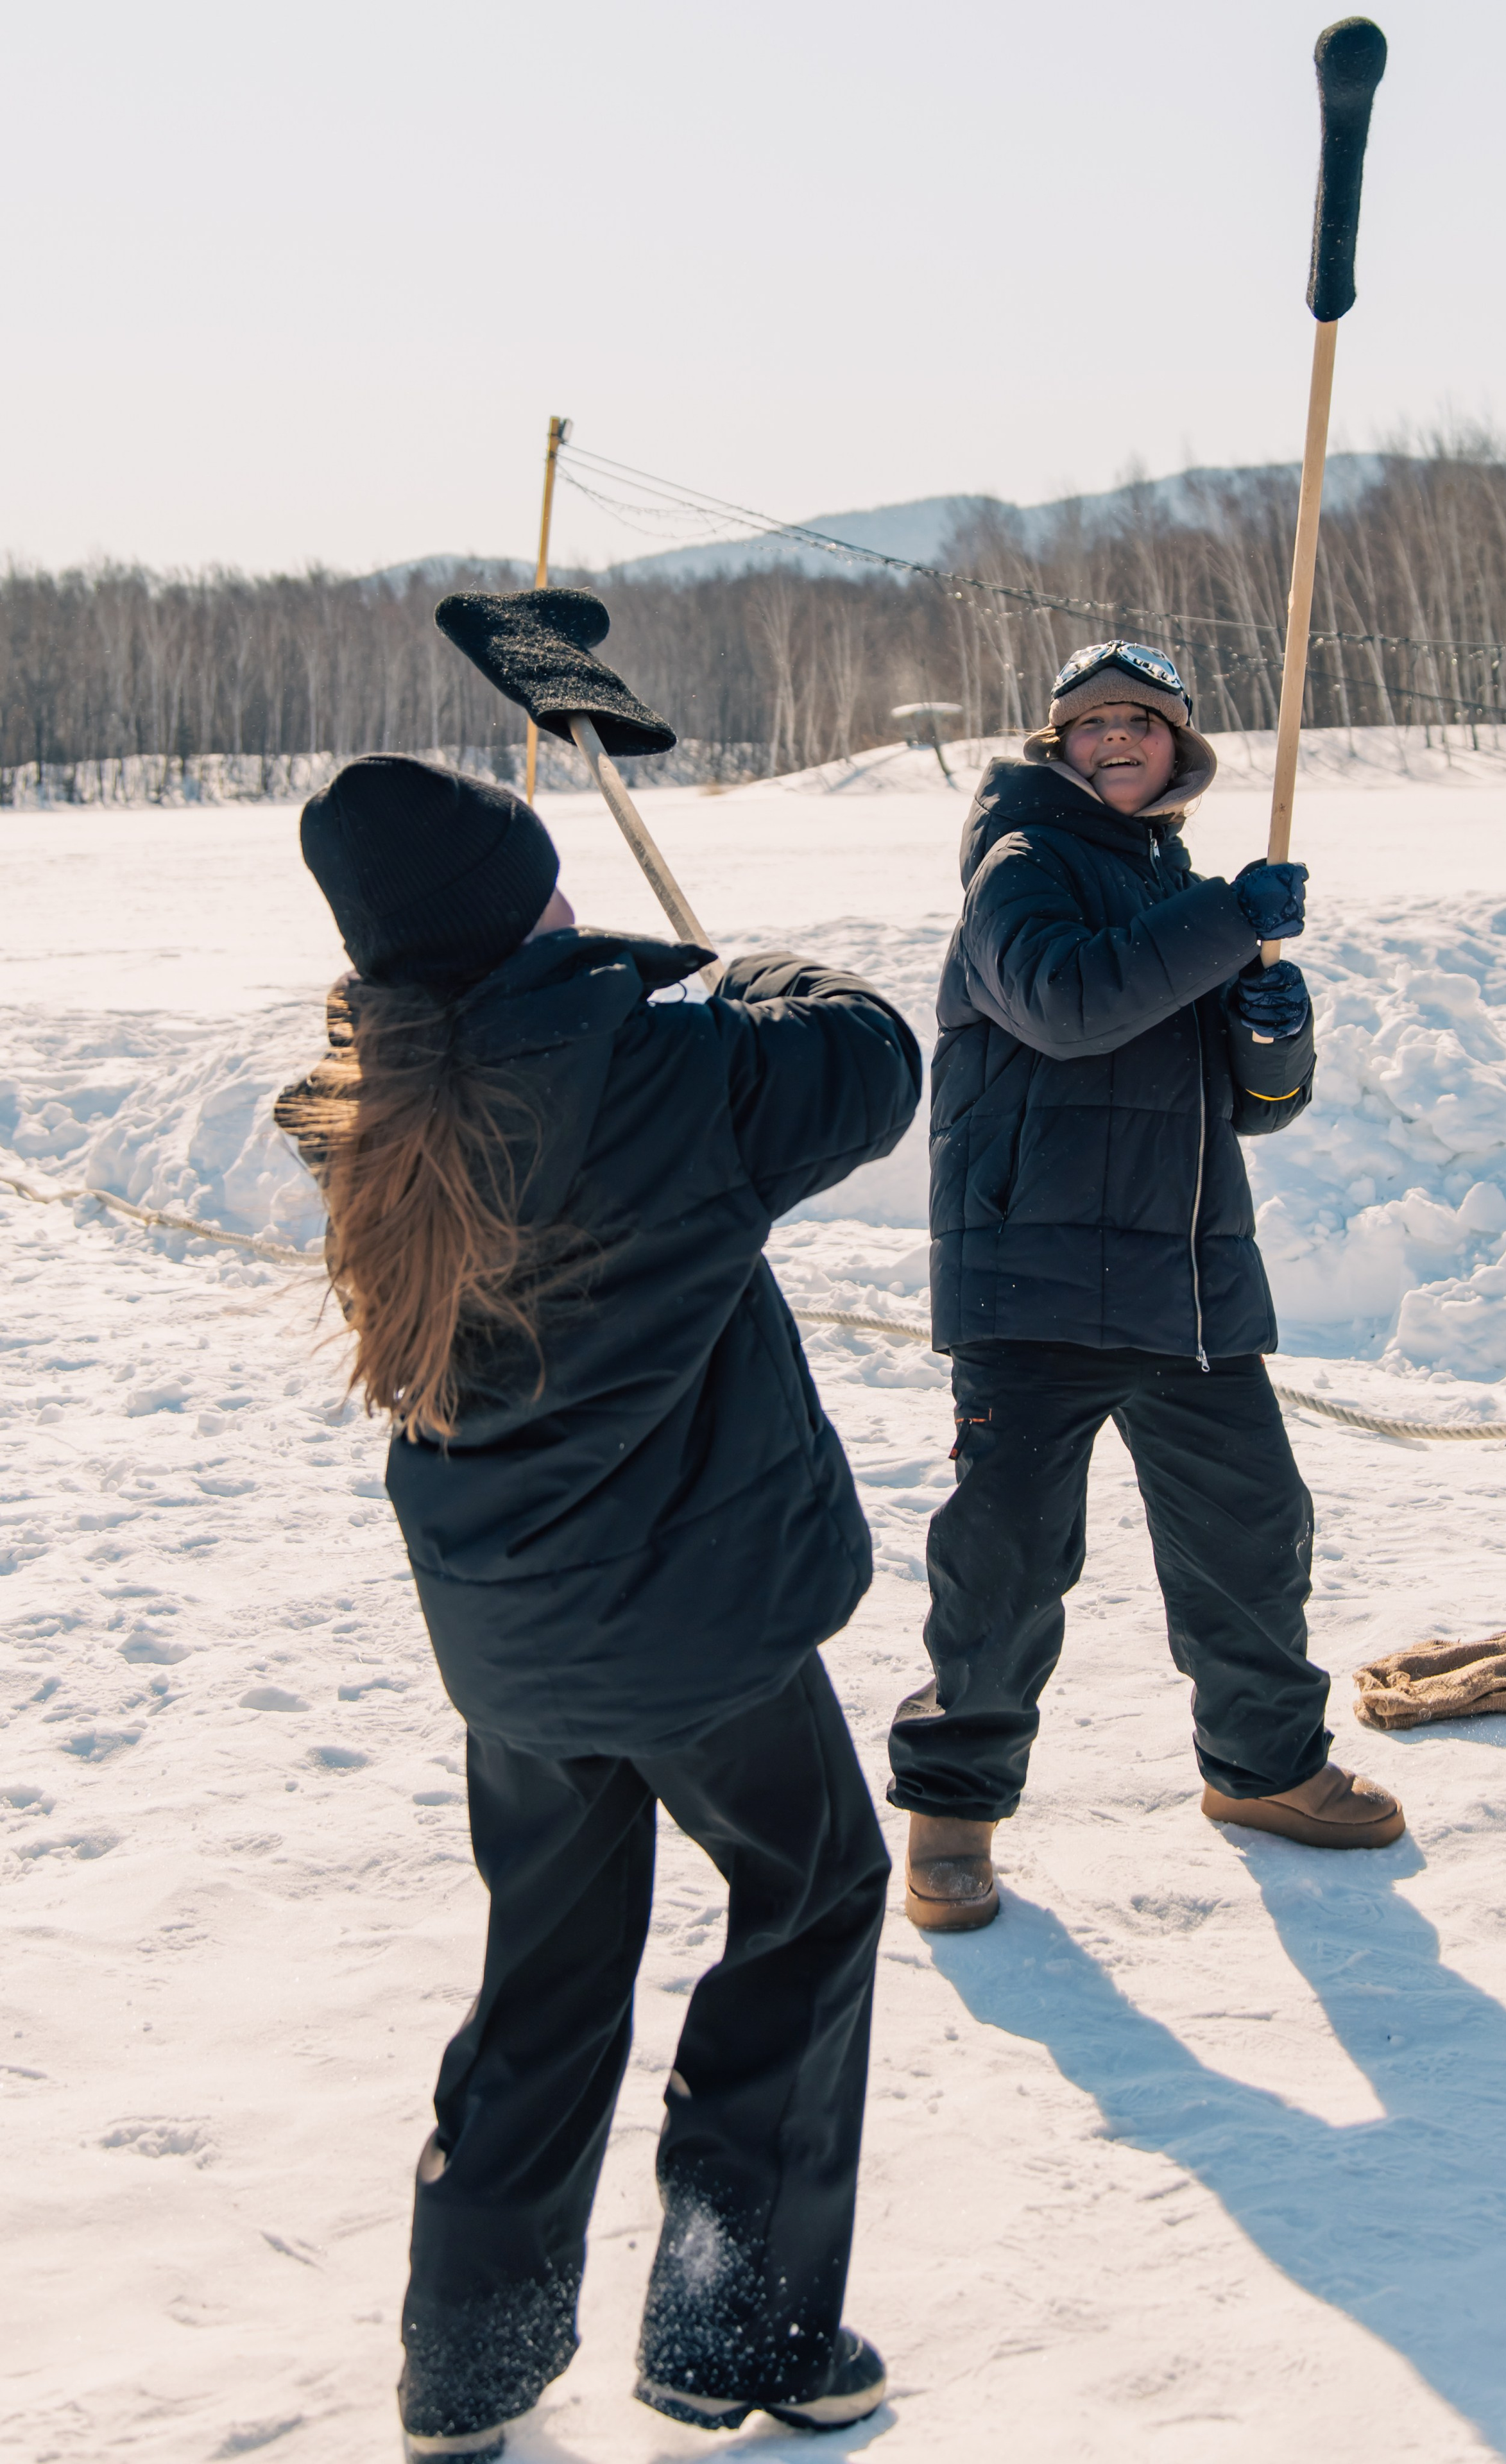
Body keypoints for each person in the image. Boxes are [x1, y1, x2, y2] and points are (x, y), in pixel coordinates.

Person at [274, 756, 921, 2458]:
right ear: (522, 915)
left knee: (550, 1970)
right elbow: (871, 1063)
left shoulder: (371, 1099)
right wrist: (753, 975)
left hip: (515, 1638)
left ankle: (465, 2368)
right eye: (547, 886)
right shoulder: (665, 1073)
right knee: (812, 1898)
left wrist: (620, 981)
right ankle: (737, 2327)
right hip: (693, 1622)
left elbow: (530, 1033)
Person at [887, 644, 1405, 1934]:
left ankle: (1263, 1769)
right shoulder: (1018, 864)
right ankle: (952, 1814)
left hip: (1184, 1278)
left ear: (1179, 749)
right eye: (1090, 724)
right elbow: (1066, 1005)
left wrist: (1271, 1030)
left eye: (1142, 724)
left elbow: (1253, 1109)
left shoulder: (1171, 882)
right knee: (1005, 1563)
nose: (1116, 740)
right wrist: (1228, 920)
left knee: (1249, 1537)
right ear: (1056, 745)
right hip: (1038, 1279)